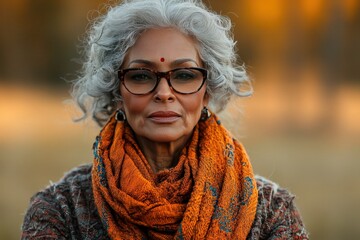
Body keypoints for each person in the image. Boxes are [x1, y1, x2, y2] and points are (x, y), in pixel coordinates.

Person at [22, 0, 308, 239]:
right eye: (141, 76)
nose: (163, 93)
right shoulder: (61, 210)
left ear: (208, 91)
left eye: (184, 75)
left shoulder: (270, 210)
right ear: (116, 90)